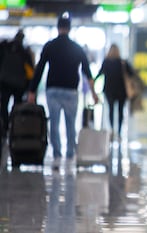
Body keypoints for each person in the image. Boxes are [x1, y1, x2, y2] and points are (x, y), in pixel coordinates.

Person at [27, 13, 98, 170]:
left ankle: (57, 154)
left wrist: (32, 91)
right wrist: (93, 93)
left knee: (54, 122)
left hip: (53, 90)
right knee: (71, 123)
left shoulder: (50, 45)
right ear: (69, 28)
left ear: (58, 27)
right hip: (71, 91)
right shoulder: (77, 48)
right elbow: (87, 72)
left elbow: (39, 69)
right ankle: (70, 153)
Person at [95, 43, 134, 140]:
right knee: (120, 111)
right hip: (122, 91)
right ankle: (119, 132)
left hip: (109, 91)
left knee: (111, 110)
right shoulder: (122, 62)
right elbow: (131, 74)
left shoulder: (106, 62)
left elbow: (100, 73)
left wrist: (92, 81)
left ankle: (112, 130)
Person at [0, 29, 34, 137]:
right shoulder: (24, 52)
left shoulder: (5, 47)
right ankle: (15, 126)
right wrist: (30, 88)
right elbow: (30, 73)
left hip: (4, 83)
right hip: (19, 85)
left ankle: (5, 127)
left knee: (4, 105)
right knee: (17, 106)